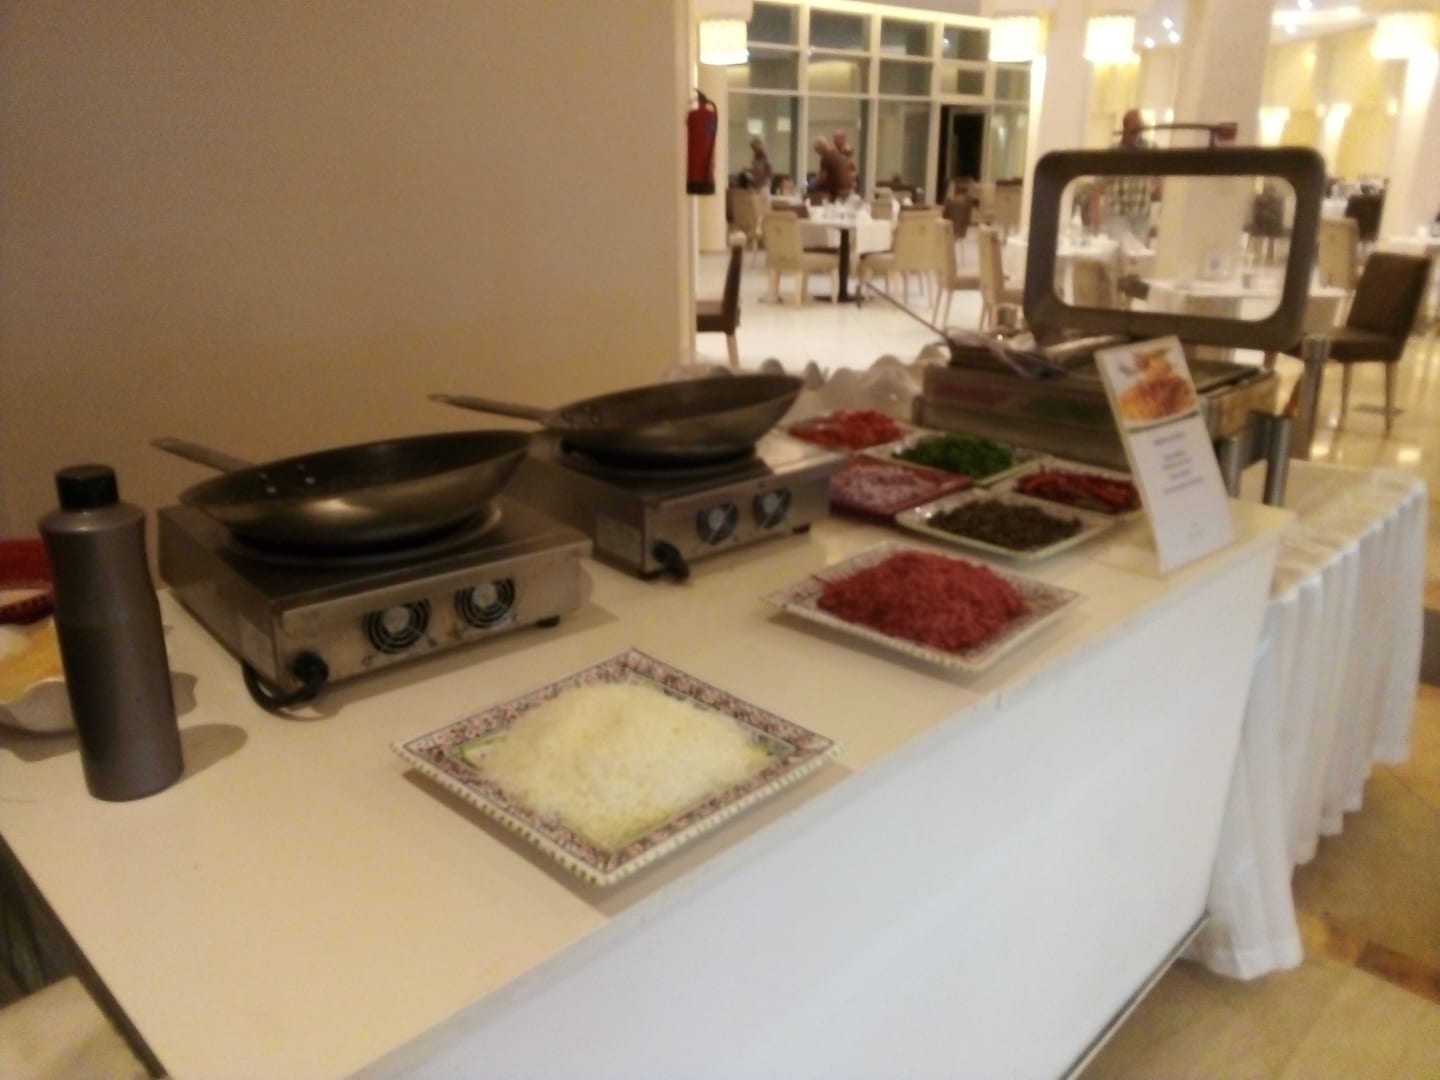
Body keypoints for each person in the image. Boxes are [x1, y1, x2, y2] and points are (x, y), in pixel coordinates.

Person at [1091, 108, 1156, 241]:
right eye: (1134, 130)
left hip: (1141, 214)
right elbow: (1097, 185)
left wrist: (1157, 188)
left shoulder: (1150, 150)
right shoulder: (1112, 154)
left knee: (1138, 251)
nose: (1138, 134)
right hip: (1118, 214)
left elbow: (1162, 174)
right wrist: (1096, 214)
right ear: (1125, 129)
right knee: (1120, 248)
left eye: (1140, 129)